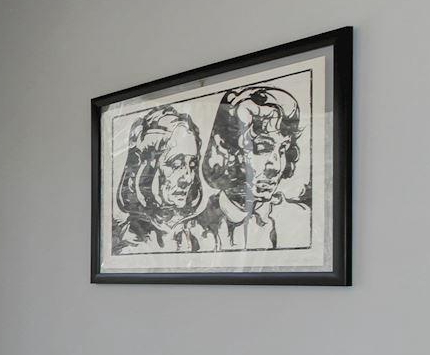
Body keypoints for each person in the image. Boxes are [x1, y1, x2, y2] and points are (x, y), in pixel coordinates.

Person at [192, 85, 311, 251]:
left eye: (282, 149)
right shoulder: (192, 232)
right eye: (263, 148)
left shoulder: (302, 220)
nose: (275, 166)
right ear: (226, 149)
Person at [111, 106, 205, 253]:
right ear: (146, 168)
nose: (188, 178)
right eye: (176, 164)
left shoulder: (201, 236)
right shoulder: (125, 243)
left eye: (192, 165)